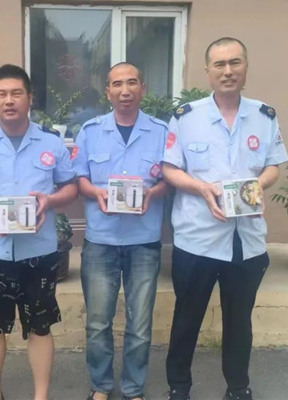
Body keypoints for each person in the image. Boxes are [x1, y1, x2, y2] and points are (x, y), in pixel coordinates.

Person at [162, 38, 288, 400]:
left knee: (239, 321)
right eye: (220, 64)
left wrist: (257, 185)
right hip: (197, 239)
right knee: (187, 318)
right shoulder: (186, 117)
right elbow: (169, 169)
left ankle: (238, 387)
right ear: (208, 71)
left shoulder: (264, 115)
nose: (228, 71)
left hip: (246, 240)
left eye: (235, 63)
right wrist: (201, 188)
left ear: (246, 67)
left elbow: (273, 165)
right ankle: (179, 387)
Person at [0, 64, 77, 400]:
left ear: (30, 97)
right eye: (2, 94)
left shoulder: (51, 142)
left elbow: (70, 188)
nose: (9, 100)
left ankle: (41, 395)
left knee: (40, 326)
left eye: (16, 93)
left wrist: (50, 201)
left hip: (39, 251)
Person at [73, 62, 170, 400]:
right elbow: (80, 178)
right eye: (117, 84)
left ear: (143, 88)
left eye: (131, 83)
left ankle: (133, 388)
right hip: (101, 240)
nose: (125, 91)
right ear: (108, 91)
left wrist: (153, 193)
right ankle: (100, 385)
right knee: (97, 322)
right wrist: (95, 192)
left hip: (144, 241)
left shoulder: (161, 131)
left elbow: (170, 178)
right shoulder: (90, 131)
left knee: (140, 324)